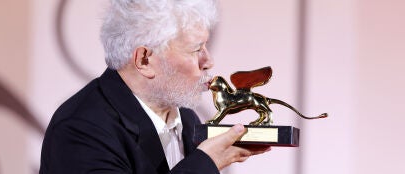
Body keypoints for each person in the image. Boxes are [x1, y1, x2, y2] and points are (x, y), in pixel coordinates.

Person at [39, 0, 271, 173]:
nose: (208, 61)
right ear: (144, 60)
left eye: (206, 46)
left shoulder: (187, 120)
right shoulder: (81, 129)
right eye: (196, 49)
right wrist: (206, 162)